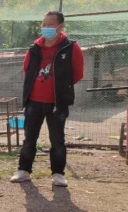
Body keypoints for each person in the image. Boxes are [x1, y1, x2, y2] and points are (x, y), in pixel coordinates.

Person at [10, 11, 84, 187]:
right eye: (44, 24)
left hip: (57, 103)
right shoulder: (34, 48)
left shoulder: (71, 48)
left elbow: (77, 73)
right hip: (34, 101)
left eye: (50, 24)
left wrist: (60, 88)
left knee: (57, 140)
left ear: (61, 27)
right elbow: (27, 71)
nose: (46, 28)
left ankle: (58, 174)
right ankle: (24, 171)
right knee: (29, 139)